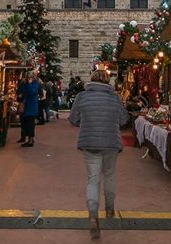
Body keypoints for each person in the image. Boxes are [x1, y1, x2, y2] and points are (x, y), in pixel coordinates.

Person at [69, 69, 129, 239]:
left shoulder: (82, 96)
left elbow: (73, 119)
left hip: (89, 142)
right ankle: (109, 209)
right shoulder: (115, 97)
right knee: (109, 174)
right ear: (107, 81)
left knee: (92, 178)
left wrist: (86, 123)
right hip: (111, 142)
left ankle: (93, 214)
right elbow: (124, 120)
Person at [19, 72, 41, 147]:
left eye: (30, 77)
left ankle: (30, 140)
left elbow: (32, 92)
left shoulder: (34, 83)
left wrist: (29, 84)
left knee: (30, 124)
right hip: (26, 106)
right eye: (28, 77)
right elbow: (21, 91)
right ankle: (27, 139)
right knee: (25, 124)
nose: (29, 78)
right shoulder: (25, 83)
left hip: (31, 107)